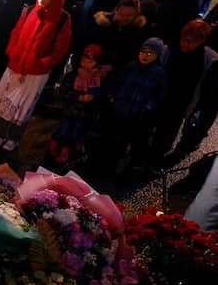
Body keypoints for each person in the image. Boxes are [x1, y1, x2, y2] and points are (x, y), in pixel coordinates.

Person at [0, 0, 72, 152]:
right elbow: (16, 33)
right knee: (6, 102)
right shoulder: (29, 11)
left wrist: (43, 62)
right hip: (15, 66)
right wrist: (13, 52)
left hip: (36, 72)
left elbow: (60, 48)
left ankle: (14, 137)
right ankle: (0, 133)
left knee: (23, 107)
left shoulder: (62, 19)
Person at [94, 38, 167, 175]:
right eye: (142, 52)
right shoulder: (131, 66)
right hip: (118, 108)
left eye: (150, 53)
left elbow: (159, 93)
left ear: (157, 56)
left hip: (135, 113)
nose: (145, 56)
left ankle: (111, 167)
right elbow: (116, 81)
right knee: (109, 136)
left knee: (121, 141)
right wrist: (111, 95)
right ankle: (100, 163)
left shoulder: (158, 73)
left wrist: (148, 106)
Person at [151, 20, 215, 165]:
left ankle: (156, 158)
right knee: (151, 125)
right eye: (185, 40)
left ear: (202, 42)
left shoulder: (207, 58)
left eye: (193, 42)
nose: (186, 45)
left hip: (181, 102)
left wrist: (192, 108)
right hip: (159, 96)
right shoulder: (169, 49)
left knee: (167, 132)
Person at [48, 44, 110, 163]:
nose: (87, 63)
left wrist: (93, 96)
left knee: (74, 134)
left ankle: (64, 154)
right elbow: (64, 91)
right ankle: (52, 149)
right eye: (85, 59)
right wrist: (78, 96)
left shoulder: (97, 78)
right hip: (70, 110)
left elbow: (100, 93)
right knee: (62, 130)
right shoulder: (73, 75)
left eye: (91, 61)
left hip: (85, 113)